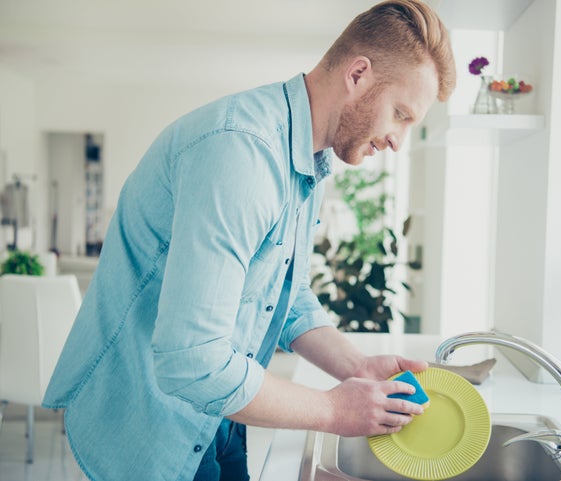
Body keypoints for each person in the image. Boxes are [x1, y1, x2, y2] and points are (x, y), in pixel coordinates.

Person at [42, 1, 456, 480]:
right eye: (400, 114)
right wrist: (333, 411)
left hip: (216, 414)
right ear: (358, 74)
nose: (398, 141)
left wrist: (357, 367)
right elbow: (191, 361)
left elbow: (285, 292)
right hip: (148, 422)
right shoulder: (242, 152)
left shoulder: (306, 156)